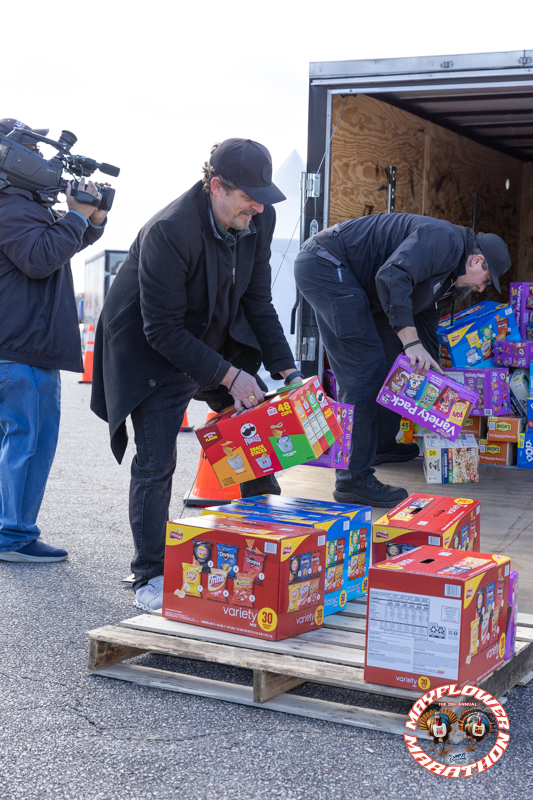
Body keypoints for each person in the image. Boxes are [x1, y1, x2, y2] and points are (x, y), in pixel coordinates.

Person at [91, 138, 301, 612]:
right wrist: (228, 376)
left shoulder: (258, 218)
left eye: (262, 198)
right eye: (248, 197)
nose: (257, 207)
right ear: (216, 186)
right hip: (152, 351)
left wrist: (287, 370)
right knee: (156, 462)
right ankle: (149, 573)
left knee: (254, 431)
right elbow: (161, 329)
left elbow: (258, 301)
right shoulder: (169, 230)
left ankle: (266, 544)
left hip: (211, 338)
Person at [294, 212, 512, 508]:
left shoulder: (449, 282)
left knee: (393, 362)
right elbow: (392, 275)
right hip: (327, 264)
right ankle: (352, 479)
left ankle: (381, 444)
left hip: (358, 284)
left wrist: (435, 381)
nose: (482, 288)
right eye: (486, 280)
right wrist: (411, 342)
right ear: (477, 261)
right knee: (364, 372)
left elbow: (425, 325)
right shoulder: (445, 240)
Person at [0, 118, 108, 563]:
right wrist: (77, 215)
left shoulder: (19, 203)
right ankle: (13, 536)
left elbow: (55, 246)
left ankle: (10, 530)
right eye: (33, 150)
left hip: (23, 344)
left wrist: (91, 221)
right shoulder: (10, 204)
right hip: (22, 346)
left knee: (19, 442)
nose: (42, 159)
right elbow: (41, 258)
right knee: (29, 443)